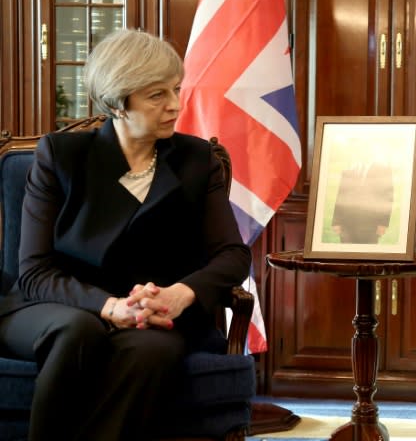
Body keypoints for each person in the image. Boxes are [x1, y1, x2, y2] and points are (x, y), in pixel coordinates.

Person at [0, 29, 251, 440]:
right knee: (77, 332)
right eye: (157, 95)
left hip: (154, 319)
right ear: (118, 103)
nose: (175, 105)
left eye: (176, 89)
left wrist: (179, 295)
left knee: (153, 351)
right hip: (56, 306)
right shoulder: (60, 156)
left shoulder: (196, 160)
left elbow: (233, 256)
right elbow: (34, 270)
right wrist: (109, 306)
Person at [331, 159, 394, 243]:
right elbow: (341, 195)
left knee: (367, 253)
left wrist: (383, 223)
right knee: (347, 252)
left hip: (371, 224)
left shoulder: (384, 170)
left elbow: (387, 197)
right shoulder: (349, 168)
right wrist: (336, 221)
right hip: (347, 222)